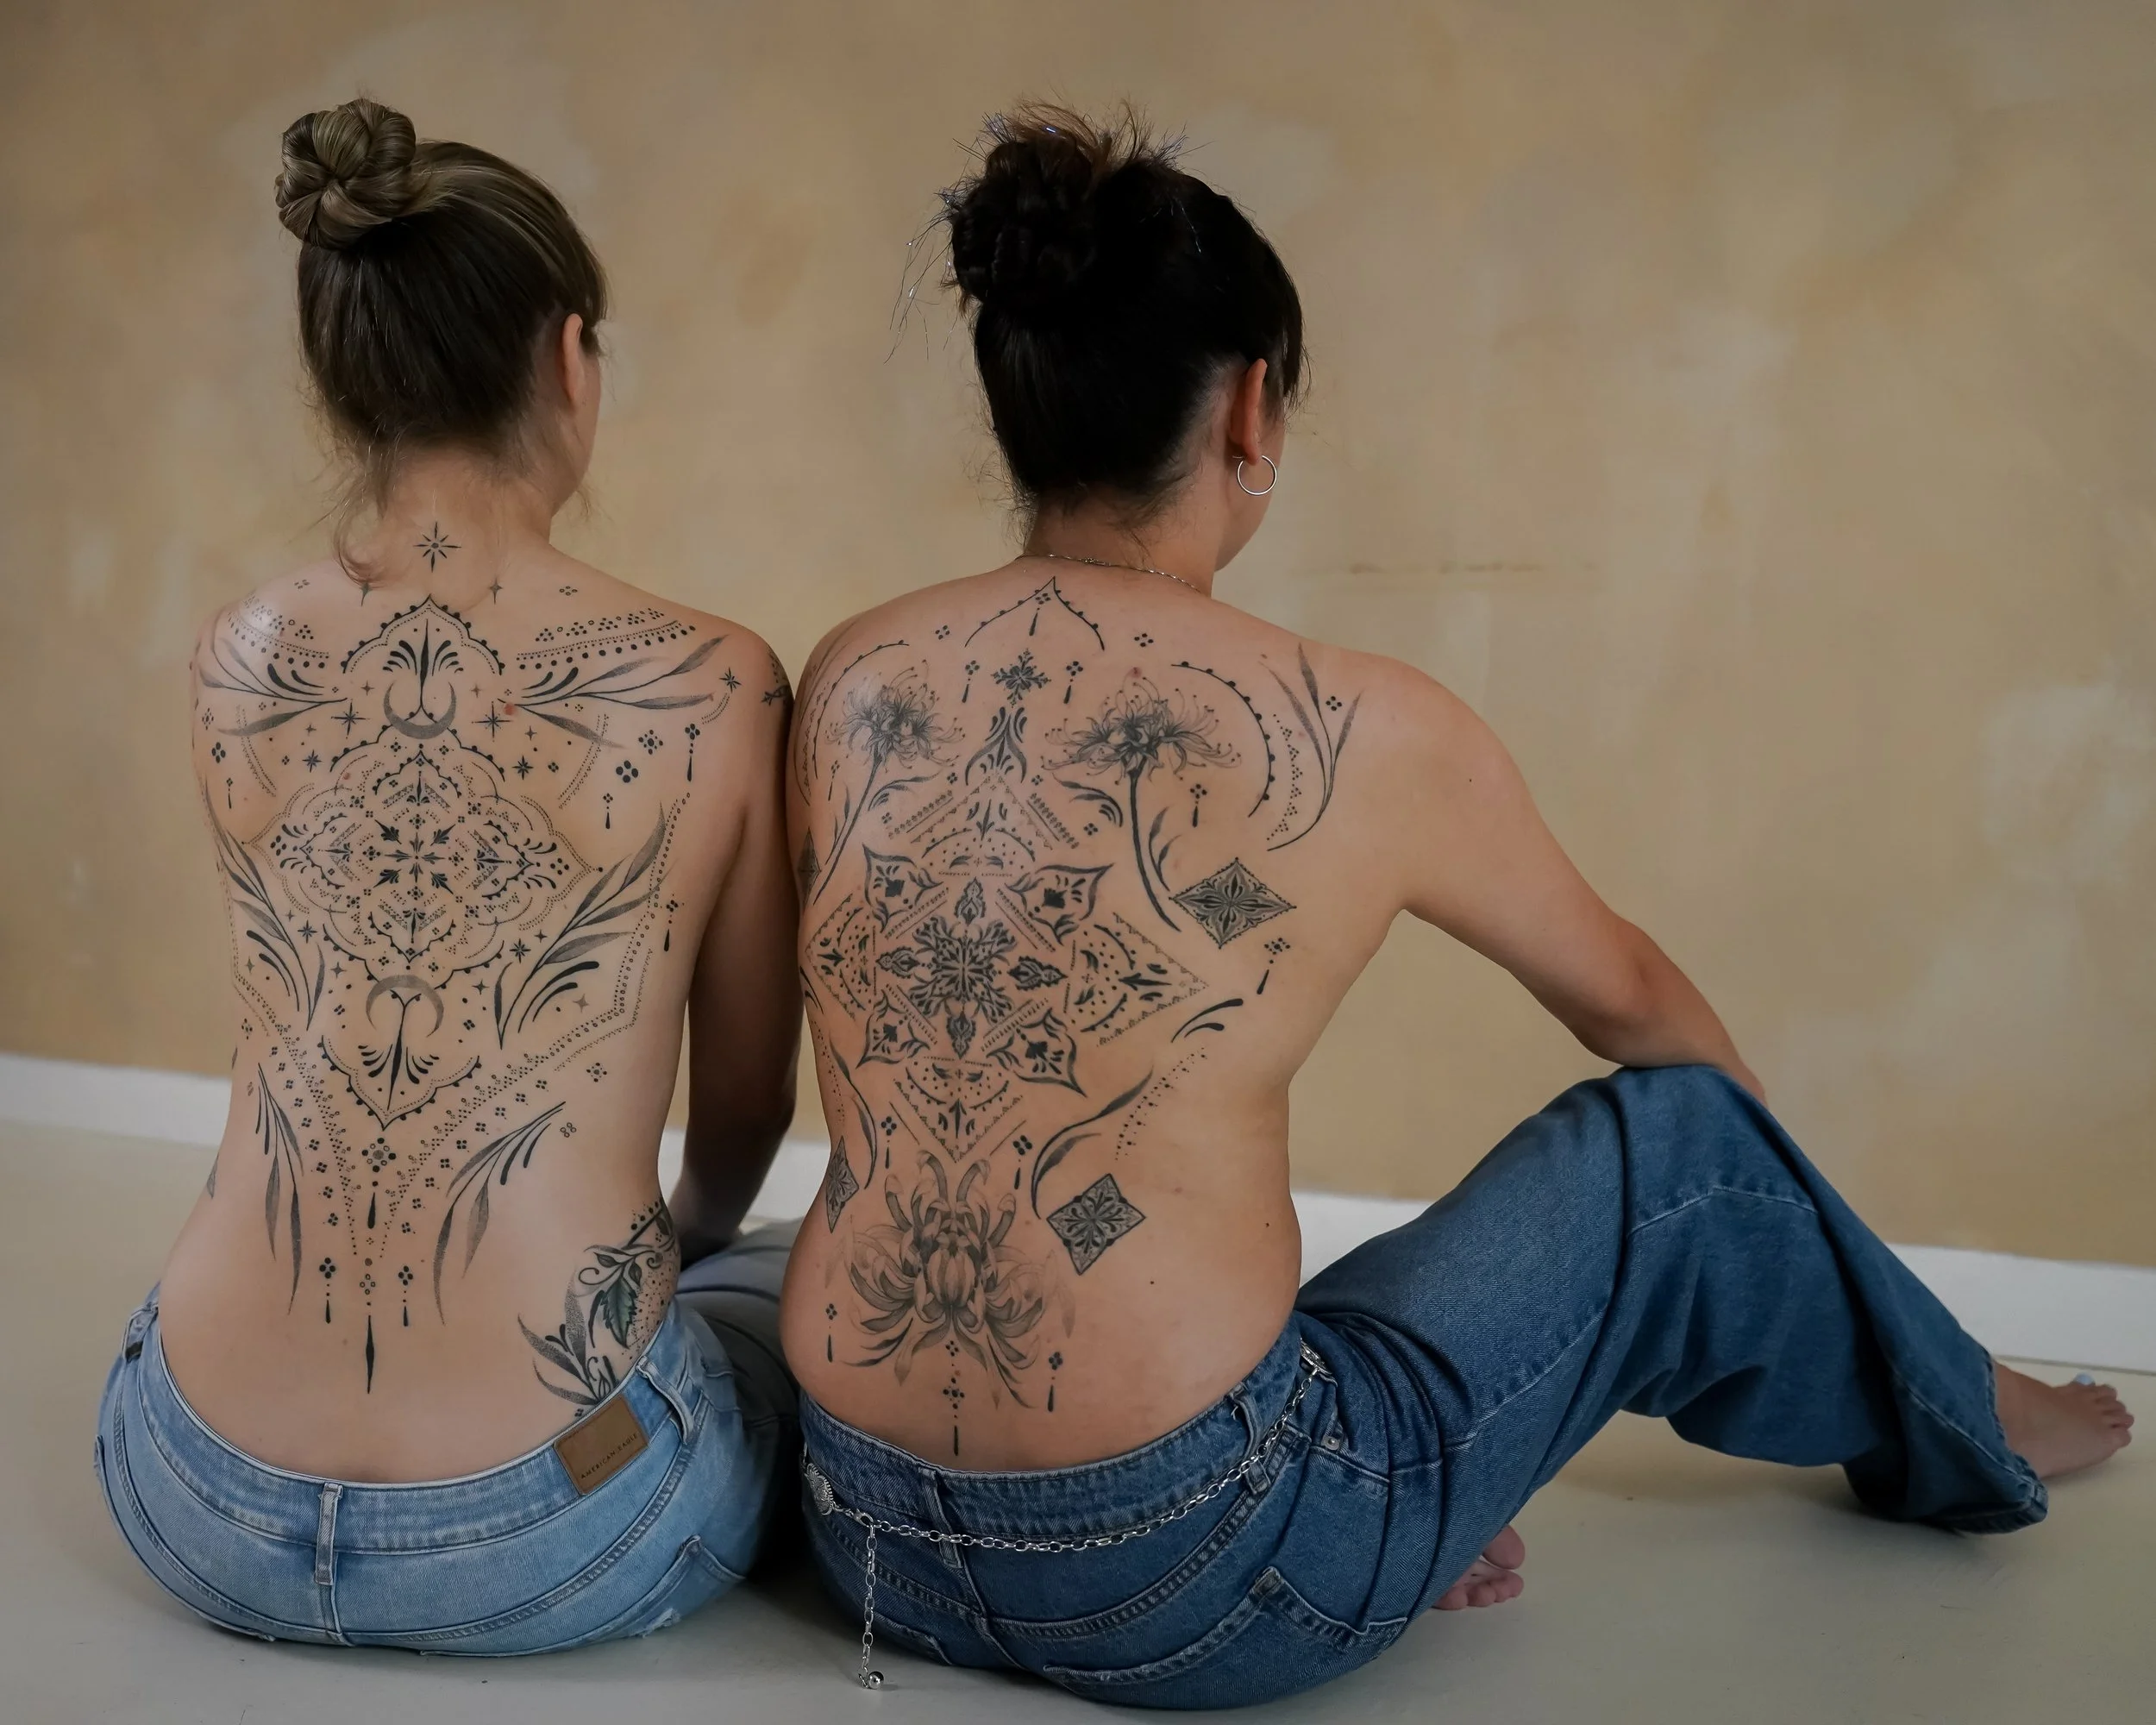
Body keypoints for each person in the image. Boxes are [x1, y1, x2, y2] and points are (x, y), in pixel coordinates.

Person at [778, 106, 2134, 1709]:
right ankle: (1965, 1404)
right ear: (1252, 410)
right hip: (1198, 1568)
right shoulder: (1367, 729)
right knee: (1690, 1143)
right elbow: (1638, 1008)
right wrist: (1769, 1203)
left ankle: (1419, 1488)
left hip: (868, 1531)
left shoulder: (853, 674)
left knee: (1147, 1216)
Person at [95, 97, 803, 1653]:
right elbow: (748, 1111)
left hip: (191, 1484)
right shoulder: (716, 684)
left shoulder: (233, 654)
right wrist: (687, 1239)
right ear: (570, 359)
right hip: (552, 1521)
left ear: (342, 381)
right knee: (786, 1287)